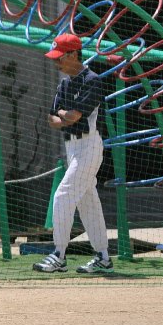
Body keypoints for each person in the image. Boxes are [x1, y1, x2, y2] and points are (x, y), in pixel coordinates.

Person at [33, 33, 113, 275]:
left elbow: (74, 116)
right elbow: (52, 119)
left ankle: (59, 255)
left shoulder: (92, 80)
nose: (56, 62)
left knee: (63, 195)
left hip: (89, 146)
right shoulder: (65, 84)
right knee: (88, 201)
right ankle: (103, 257)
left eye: (60, 57)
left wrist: (64, 114)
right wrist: (65, 115)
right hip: (72, 147)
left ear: (74, 54)